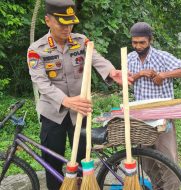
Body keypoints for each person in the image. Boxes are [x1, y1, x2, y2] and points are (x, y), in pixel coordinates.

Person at [27, 1, 131, 189]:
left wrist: (111, 71)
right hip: (53, 114)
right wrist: (66, 100)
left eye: (71, 23)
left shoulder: (81, 40)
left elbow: (96, 58)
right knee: (52, 161)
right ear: (48, 21)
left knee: (84, 160)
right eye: (62, 24)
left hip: (81, 113)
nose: (68, 28)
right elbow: (41, 82)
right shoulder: (37, 49)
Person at [127, 22, 181, 189]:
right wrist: (140, 74)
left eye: (142, 42)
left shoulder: (162, 56)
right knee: (145, 159)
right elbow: (124, 81)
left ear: (150, 40)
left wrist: (164, 75)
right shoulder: (129, 58)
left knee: (167, 158)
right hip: (141, 116)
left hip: (162, 114)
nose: (138, 46)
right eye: (134, 42)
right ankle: (158, 187)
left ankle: (172, 188)